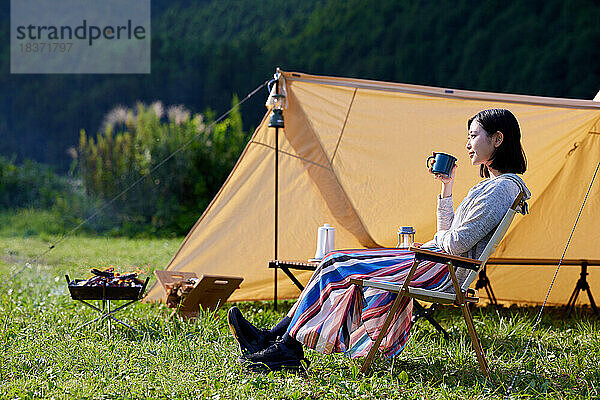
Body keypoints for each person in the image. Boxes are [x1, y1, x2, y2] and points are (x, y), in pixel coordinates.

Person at [228, 108, 531, 371]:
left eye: (474, 135)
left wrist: (439, 238)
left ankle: (283, 346)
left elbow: (452, 244)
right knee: (334, 262)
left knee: (335, 262)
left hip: (438, 268)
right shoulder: (494, 187)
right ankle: (274, 340)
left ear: (498, 139)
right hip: (435, 260)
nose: (467, 143)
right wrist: (446, 187)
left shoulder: (500, 189)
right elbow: (453, 234)